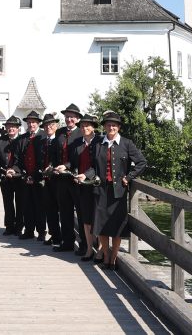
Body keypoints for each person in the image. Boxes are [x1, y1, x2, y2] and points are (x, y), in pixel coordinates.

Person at [94, 111, 147, 270]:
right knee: (102, 226)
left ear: (119, 127)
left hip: (119, 191)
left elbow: (141, 162)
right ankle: (106, 256)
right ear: (104, 126)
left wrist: (128, 177)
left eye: (115, 125)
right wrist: (86, 175)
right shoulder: (98, 143)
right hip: (101, 190)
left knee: (117, 226)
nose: (111, 127)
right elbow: (92, 166)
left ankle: (114, 258)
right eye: (109, 125)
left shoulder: (126, 143)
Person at [70, 113, 101, 261]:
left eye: (87, 125)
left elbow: (98, 166)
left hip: (96, 186)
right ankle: (89, 249)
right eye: (82, 126)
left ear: (93, 127)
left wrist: (86, 175)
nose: (84, 128)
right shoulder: (77, 143)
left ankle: (100, 250)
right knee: (86, 220)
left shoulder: (100, 142)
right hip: (82, 187)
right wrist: (68, 169)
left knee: (98, 219)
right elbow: (73, 163)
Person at [51, 103, 82, 252]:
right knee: (64, 212)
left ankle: (84, 245)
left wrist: (67, 166)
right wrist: (54, 167)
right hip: (61, 179)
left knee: (81, 212)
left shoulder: (82, 133)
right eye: (67, 117)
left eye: (72, 117)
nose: (69, 119)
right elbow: (55, 153)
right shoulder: (60, 132)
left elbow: (81, 157)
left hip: (76, 178)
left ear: (77, 119)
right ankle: (68, 242)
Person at [16, 110, 45, 240]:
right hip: (25, 177)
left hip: (38, 177)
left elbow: (44, 159)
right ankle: (28, 230)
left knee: (39, 206)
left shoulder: (43, 137)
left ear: (38, 123)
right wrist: (22, 173)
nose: (31, 124)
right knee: (26, 205)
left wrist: (34, 176)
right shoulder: (22, 138)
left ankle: (41, 232)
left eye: (34, 122)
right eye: (29, 122)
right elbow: (18, 159)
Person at [0, 115, 23, 235]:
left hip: (19, 176)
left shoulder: (23, 140)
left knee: (20, 202)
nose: (11, 128)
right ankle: (9, 226)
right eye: (9, 126)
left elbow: (22, 159)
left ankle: (19, 227)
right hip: (4, 176)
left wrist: (15, 170)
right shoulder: (0, 141)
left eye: (14, 126)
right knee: (7, 202)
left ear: (18, 128)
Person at [37, 113, 61, 245]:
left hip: (57, 180)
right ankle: (54, 235)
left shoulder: (59, 140)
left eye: (51, 125)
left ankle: (63, 236)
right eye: (46, 125)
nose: (48, 127)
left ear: (56, 126)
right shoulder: (42, 142)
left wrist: (53, 168)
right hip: (45, 180)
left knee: (60, 209)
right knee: (49, 209)